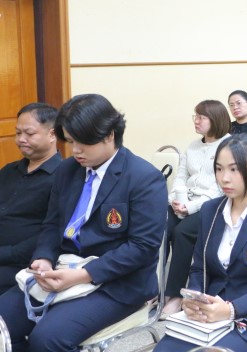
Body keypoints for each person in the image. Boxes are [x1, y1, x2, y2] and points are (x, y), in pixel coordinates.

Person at [0, 94, 167, 351]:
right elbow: (52, 224)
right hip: (63, 268)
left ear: (109, 135)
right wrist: (43, 258)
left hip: (116, 283)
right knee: (3, 323)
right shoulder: (68, 170)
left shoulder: (143, 178)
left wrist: (82, 275)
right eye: (70, 141)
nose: (75, 150)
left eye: (83, 142)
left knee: (47, 339)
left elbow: (142, 247)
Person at [153, 135, 247, 352]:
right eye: (219, 169)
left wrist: (231, 310)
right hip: (209, 314)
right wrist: (193, 298)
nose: (224, 178)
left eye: (234, 169)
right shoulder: (210, 211)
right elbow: (200, 267)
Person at [163, 100, 232, 317]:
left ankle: (175, 295)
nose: (196, 121)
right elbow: (181, 176)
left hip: (212, 204)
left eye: (202, 117)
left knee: (182, 232)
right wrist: (175, 199)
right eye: (196, 116)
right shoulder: (193, 146)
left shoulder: (228, 145)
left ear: (216, 119)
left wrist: (190, 207)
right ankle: (153, 288)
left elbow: (220, 188)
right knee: (159, 225)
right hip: (185, 201)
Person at [0, 103, 61, 294]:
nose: (21, 139)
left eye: (29, 133)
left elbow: (53, 231)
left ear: (52, 134)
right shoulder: (9, 170)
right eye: (18, 133)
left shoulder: (63, 176)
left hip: (23, 263)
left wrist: (6, 253)